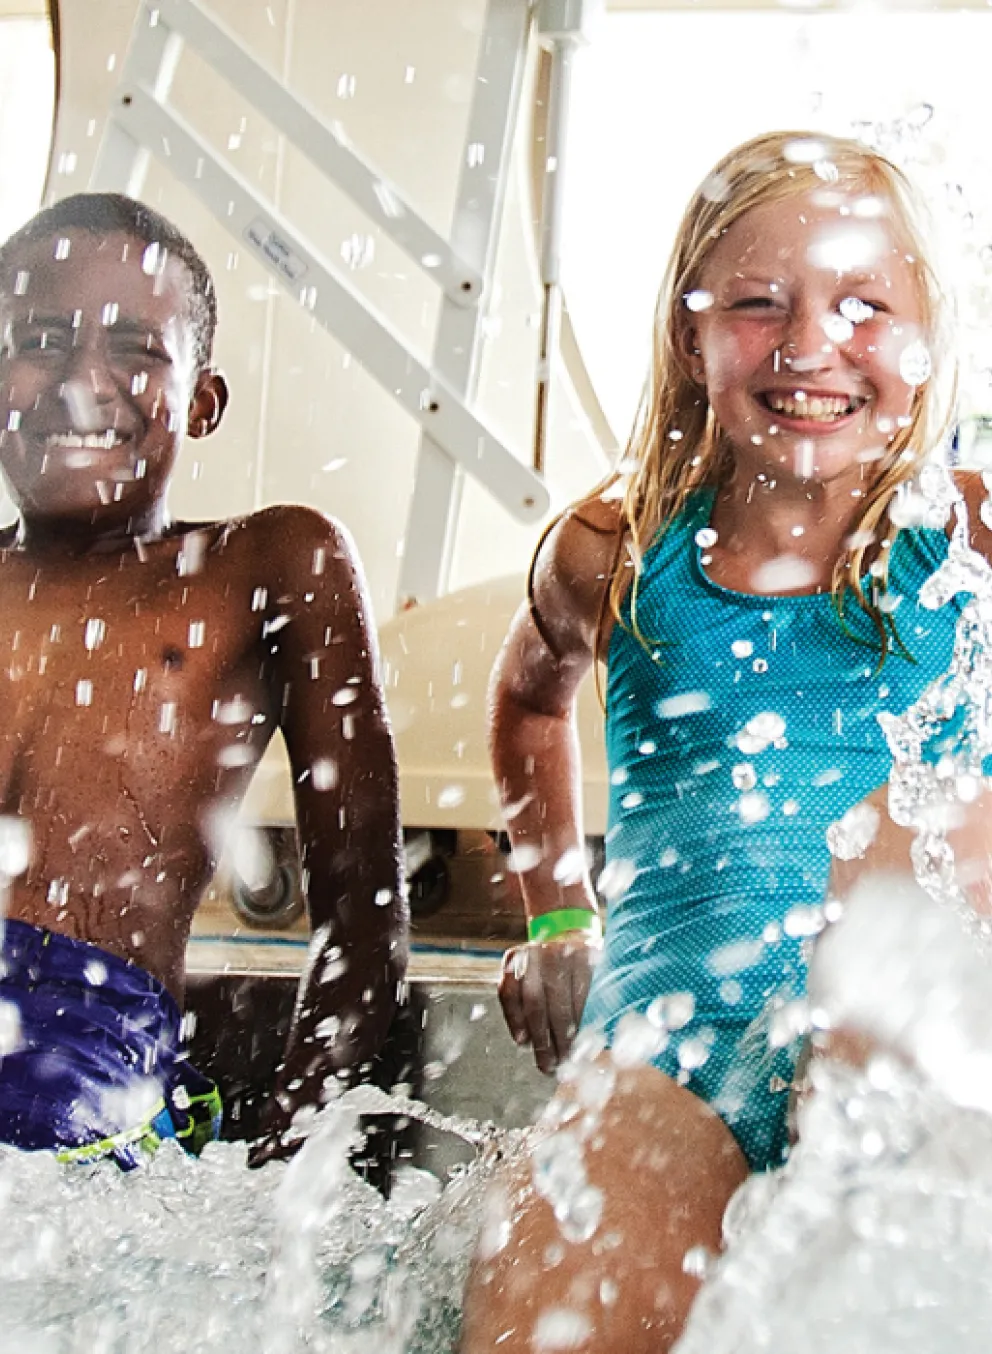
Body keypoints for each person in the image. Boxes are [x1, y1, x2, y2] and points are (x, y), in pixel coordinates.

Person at [462, 130, 990, 1354]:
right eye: (758, 305)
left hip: (895, 1051)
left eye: (863, 306)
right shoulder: (615, 549)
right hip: (672, 1050)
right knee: (544, 1312)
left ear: (927, 339)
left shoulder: (963, 535)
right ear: (688, 336)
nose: (809, 347)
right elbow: (528, 703)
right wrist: (553, 915)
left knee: (894, 845)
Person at [0, 193, 407, 1169]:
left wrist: (284, 1173)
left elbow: (361, 928)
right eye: (42, 338)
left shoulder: (265, 563)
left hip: (81, 1045)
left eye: (137, 348)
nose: (81, 382)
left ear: (202, 400)